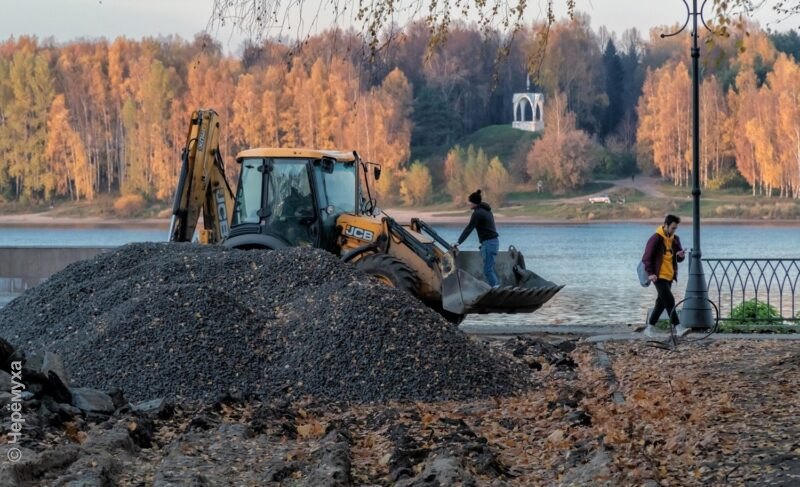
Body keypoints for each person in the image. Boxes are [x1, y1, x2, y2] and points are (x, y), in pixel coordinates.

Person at [641, 214, 686, 337]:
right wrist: (650, 273)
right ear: (665, 225)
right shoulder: (655, 238)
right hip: (658, 276)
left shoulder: (675, 239)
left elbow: (678, 258)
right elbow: (646, 258)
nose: (673, 230)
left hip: (670, 276)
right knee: (670, 300)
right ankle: (678, 327)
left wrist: (681, 255)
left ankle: (649, 328)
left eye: (675, 228)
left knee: (661, 303)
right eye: (672, 228)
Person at [453, 189, 500, 288]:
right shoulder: (487, 211)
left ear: (474, 203)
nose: (468, 203)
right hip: (493, 243)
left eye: (469, 201)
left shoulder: (477, 213)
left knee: (488, 270)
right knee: (489, 268)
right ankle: (496, 287)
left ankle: (497, 289)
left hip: (489, 243)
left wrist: (458, 242)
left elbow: (469, 228)